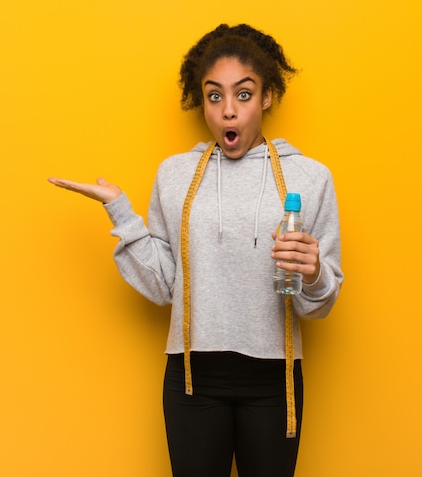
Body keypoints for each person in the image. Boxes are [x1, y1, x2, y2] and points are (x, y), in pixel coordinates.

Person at [48, 23, 343, 477]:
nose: (228, 111)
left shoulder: (311, 178)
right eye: (214, 95)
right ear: (200, 100)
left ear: (266, 97)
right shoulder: (175, 175)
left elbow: (319, 305)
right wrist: (121, 213)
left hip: (274, 380)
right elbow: (165, 284)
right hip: (190, 378)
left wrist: (314, 274)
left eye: (244, 95)